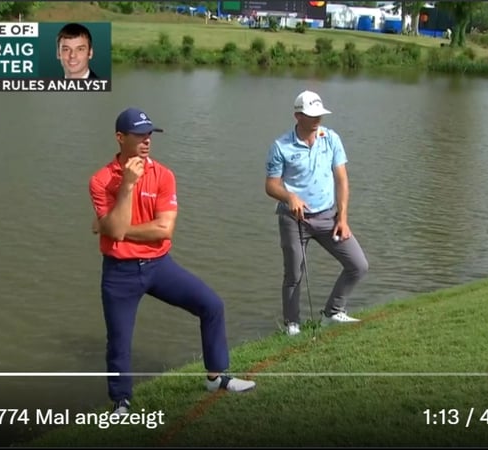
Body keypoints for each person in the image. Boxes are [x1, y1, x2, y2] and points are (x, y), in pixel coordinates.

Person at [89, 107, 256, 416]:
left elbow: (162, 228)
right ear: (120, 137)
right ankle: (121, 402)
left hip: (158, 265)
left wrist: (116, 229)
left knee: (211, 305)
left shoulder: (163, 175)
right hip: (119, 272)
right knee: (119, 340)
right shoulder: (101, 180)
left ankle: (216, 377)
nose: (147, 140)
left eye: (150, 134)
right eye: (139, 135)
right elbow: (113, 228)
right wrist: (126, 186)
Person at [264, 91, 369, 336]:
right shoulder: (281, 146)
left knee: (358, 264)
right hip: (294, 219)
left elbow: (342, 180)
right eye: (311, 115)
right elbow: (271, 185)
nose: (317, 119)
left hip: (327, 217)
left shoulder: (331, 139)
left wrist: (342, 218)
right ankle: (292, 324)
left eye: (319, 114)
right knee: (294, 272)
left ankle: (332, 312)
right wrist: (290, 197)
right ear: (297, 116)